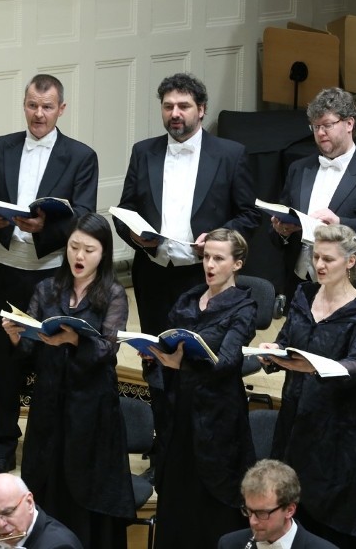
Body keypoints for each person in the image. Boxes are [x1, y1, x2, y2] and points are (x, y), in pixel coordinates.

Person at [0, 73, 99, 476]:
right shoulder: (1, 147)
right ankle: (2, 446)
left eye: (47, 107)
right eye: (32, 105)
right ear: (24, 104)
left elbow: (83, 215)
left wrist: (45, 227)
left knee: (50, 360)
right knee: (5, 365)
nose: (38, 114)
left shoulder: (81, 156)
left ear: (61, 109)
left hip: (51, 277)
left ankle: (45, 444)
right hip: (5, 271)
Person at [2, 213, 134, 548]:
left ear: (103, 253)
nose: (79, 256)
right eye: (74, 247)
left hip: (92, 408)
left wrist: (75, 341)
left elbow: (107, 350)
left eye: (89, 250)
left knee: (87, 487)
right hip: (49, 403)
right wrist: (18, 337)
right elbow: (31, 350)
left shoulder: (113, 294)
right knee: (49, 480)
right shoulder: (47, 289)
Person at [257, 224, 356, 549]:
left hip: (340, 430)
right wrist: (271, 353)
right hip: (297, 420)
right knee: (293, 508)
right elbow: (286, 341)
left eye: (328, 258)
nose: (319, 265)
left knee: (333, 521)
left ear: (351, 262)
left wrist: (316, 366)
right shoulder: (304, 296)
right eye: (316, 257)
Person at [113, 72, 258, 337]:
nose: (175, 113)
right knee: (155, 354)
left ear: (201, 110)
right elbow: (125, 210)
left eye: (184, 106)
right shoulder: (143, 152)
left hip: (203, 274)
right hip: (152, 272)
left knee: (197, 356)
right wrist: (134, 237)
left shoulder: (231, 154)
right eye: (168, 107)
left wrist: (217, 241)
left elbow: (249, 215)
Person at [141, 228, 257, 549]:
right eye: (206, 257)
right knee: (177, 495)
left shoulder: (243, 307)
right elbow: (168, 341)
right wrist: (155, 356)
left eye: (219, 258)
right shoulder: (189, 299)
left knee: (212, 502)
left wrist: (183, 365)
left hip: (217, 418)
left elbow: (229, 361)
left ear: (237, 264)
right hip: (178, 413)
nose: (210, 264)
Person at [270, 87, 356, 302]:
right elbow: (280, 230)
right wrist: (282, 231)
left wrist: (341, 224)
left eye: (327, 125)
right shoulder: (299, 169)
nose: (320, 132)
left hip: (350, 289)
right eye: (315, 126)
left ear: (349, 124)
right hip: (299, 284)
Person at [217, 459, 337, 549]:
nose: (252, 521)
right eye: (248, 511)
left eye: (262, 513)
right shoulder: (229, 545)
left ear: (289, 510)